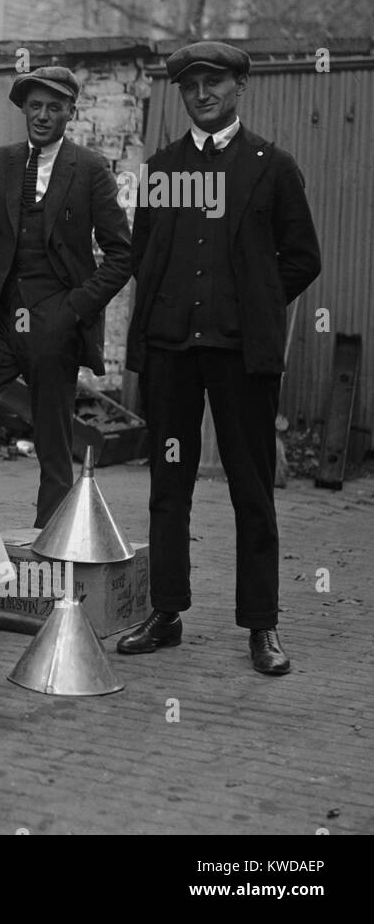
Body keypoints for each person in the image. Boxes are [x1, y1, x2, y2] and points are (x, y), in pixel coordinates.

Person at [118, 42, 322, 675]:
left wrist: (256, 305)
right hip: (173, 354)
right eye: (190, 85)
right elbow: (146, 256)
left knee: (251, 489)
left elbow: (302, 257)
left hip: (240, 357)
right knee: (168, 487)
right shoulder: (163, 170)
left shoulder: (273, 167)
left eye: (214, 82)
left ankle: (262, 626)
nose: (202, 94)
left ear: (239, 86)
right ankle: (166, 611)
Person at [0, 66, 132, 526]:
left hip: (53, 327)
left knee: (54, 444)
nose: (43, 116)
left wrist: (72, 310)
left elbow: (122, 256)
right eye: (35, 106)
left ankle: (50, 549)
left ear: (70, 113)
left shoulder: (90, 170)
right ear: (23, 110)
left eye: (54, 108)